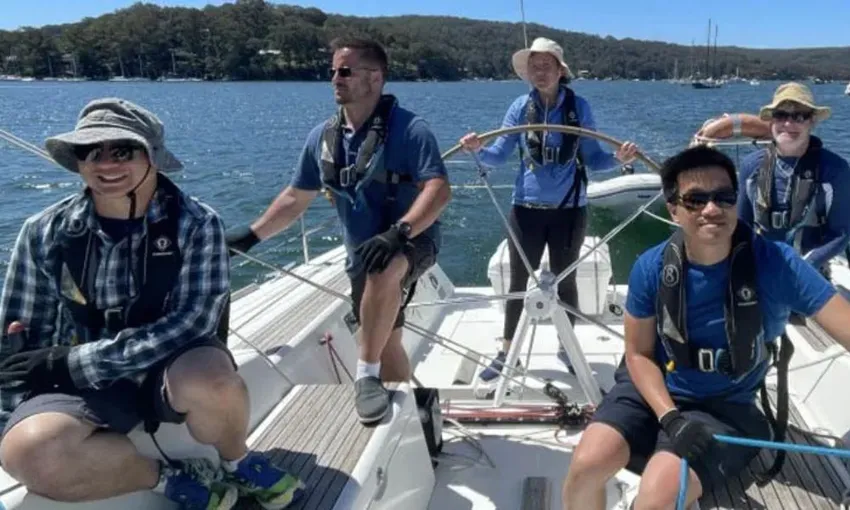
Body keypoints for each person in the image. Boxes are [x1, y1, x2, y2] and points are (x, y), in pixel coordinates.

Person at [0, 98, 305, 509]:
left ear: (154, 158)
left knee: (214, 380)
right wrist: (12, 417)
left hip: (170, 369)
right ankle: (170, 478)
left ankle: (237, 460)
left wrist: (74, 362)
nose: (105, 164)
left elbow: (193, 323)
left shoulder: (197, 225)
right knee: (26, 454)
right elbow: (21, 333)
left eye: (122, 150)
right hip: (85, 387)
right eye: (90, 151)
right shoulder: (43, 232)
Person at [562, 145, 850, 510]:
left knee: (656, 499)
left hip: (724, 406)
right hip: (652, 389)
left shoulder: (777, 263)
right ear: (674, 210)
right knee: (585, 467)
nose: (712, 209)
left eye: (723, 197)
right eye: (696, 200)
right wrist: (670, 417)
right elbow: (638, 354)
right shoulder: (651, 268)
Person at [225, 37, 451, 425]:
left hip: (412, 240)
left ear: (375, 77)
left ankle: (366, 378)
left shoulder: (411, 130)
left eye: (344, 70)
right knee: (389, 339)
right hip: (360, 252)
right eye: (332, 70)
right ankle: (418, 422)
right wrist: (252, 235)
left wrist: (399, 232)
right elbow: (296, 197)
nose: (334, 78)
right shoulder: (323, 138)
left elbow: (439, 190)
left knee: (383, 275)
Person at [458, 37, 639, 385]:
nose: (539, 73)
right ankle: (507, 350)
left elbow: (596, 158)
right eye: (533, 67)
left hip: (570, 210)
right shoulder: (517, 109)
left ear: (560, 71)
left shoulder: (579, 109)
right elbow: (497, 156)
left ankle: (566, 347)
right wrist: (476, 150)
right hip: (525, 209)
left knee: (565, 279)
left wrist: (620, 159)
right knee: (517, 282)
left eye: (546, 66)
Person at [695, 82, 850, 276]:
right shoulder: (751, 167)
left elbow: (841, 234)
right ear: (771, 121)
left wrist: (806, 264)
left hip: (810, 275)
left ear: (812, 121)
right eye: (781, 115)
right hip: (763, 269)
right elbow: (743, 225)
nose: (788, 123)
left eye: (799, 116)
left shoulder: (835, 170)